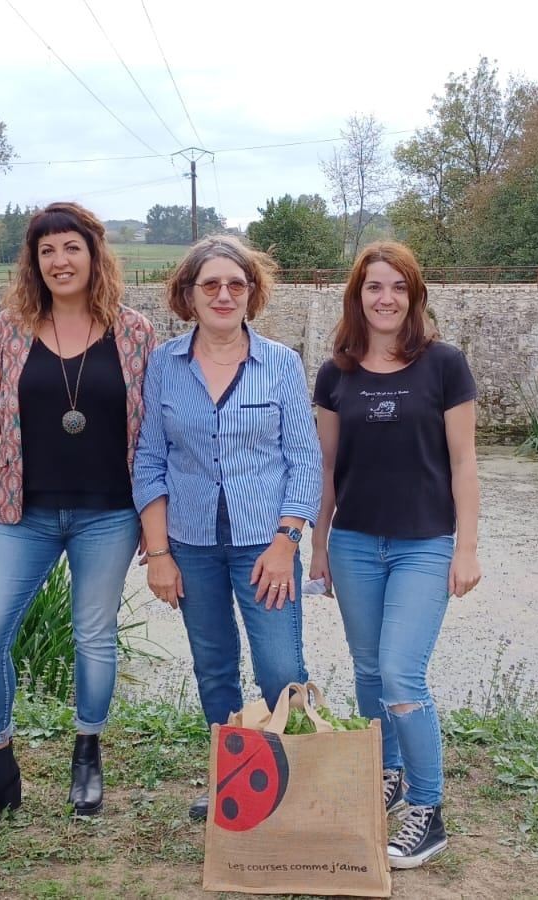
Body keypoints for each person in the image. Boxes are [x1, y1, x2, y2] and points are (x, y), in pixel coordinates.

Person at [0, 202, 155, 829]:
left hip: (109, 514)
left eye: (71, 248)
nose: (60, 261)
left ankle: (87, 755)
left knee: (93, 635)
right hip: (20, 512)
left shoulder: (135, 332)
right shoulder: (9, 330)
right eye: (46, 251)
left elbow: (156, 434)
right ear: (34, 262)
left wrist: (157, 518)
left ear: (94, 255)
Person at [133, 235, 322, 820]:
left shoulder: (281, 364)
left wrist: (287, 541)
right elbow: (149, 460)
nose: (223, 295)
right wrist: (158, 552)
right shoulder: (164, 365)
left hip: (265, 545)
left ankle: (300, 785)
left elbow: (304, 460)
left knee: (281, 669)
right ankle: (233, 782)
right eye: (210, 284)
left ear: (251, 293)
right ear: (188, 294)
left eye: (235, 284)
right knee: (213, 667)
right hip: (190, 544)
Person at [310, 241, 481, 869]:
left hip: (424, 545)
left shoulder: (444, 365)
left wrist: (467, 548)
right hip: (354, 542)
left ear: (414, 296)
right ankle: (388, 771)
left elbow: (463, 463)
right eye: (374, 287)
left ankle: (428, 810)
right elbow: (327, 467)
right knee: (367, 670)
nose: (386, 299)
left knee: (402, 673)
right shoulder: (335, 374)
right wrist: (318, 544)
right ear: (357, 296)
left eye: (399, 288)